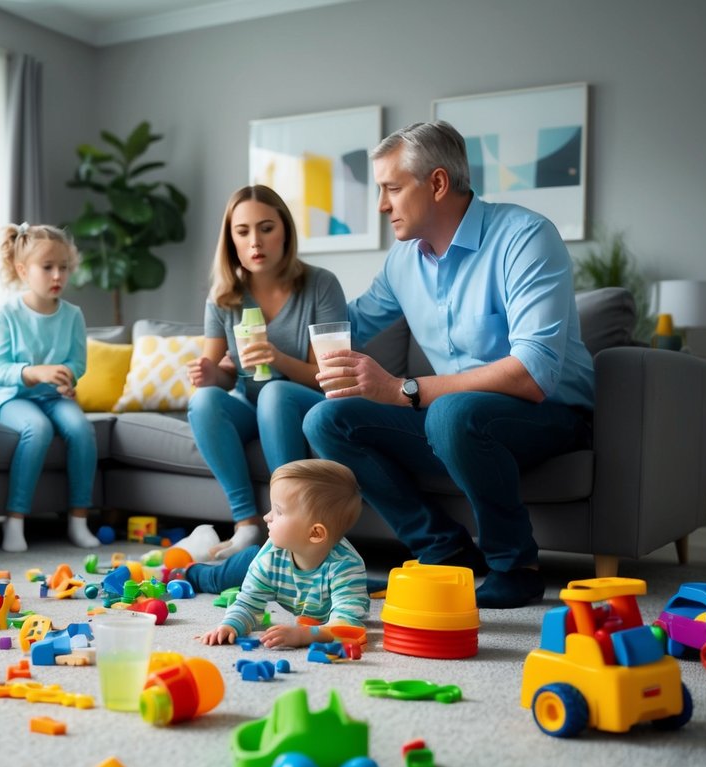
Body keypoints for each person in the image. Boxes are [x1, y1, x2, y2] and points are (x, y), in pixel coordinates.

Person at [304, 121, 595, 609]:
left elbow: (534, 373)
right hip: (454, 423)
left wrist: (403, 389)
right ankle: (445, 552)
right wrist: (270, 294)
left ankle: (515, 565)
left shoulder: (525, 237)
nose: (381, 205)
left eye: (392, 189)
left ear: (437, 184)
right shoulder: (404, 262)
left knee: (451, 411)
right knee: (327, 419)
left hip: (549, 418)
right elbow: (346, 321)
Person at [185, 185, 348, 560]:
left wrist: (276, 358)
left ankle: (288, 520)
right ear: (231, 240)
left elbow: (330, 377)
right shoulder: (224, 295)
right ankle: (246, 525)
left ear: (285, 231)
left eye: (266, 228)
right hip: (251, 405)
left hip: (307, 402)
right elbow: (223, 376)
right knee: (205, 401)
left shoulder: (320, 285)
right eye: (242, 232)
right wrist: (211, 375)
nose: (255, 241)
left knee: (275, 393)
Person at [0, 223, 101, 553]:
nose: (57, 276)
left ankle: (79, 519)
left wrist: (67, 374)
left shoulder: (73, 315)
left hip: (54, 397)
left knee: (81, 429)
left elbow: (78, 363)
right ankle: (15, 519)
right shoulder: (6, 315)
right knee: (36, 430)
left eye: (63, 268)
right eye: (47, 267)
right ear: (23, 270)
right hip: (12, 398)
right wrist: (35, 373)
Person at [197, 459, 370, 648]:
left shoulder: (347, 567)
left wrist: (307, 635)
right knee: (213, 579)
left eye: (278, 511)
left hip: (278, 570)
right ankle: (188, 571)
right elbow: (248, 604)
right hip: (245, 561)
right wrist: (229, 626)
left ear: (315, 533)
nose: (266, 517)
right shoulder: (269, 557)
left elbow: (349, 625)